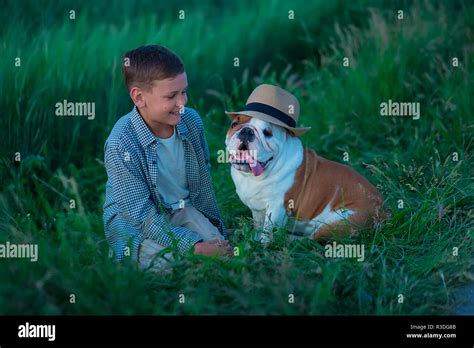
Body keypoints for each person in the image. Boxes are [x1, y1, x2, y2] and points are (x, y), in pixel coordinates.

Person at [103, 45, 232, 272]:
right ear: (139, 97)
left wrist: (205, 236)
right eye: (171, 96)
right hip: (135, 223)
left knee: (221, 249)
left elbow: (202, 175)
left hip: (183, 208)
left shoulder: (191, 122)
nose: (183, 102)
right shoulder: (121, 143)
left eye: (184, 91)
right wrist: (195, 248)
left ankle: (196, 249)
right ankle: (129, 254)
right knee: (168, 265)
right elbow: (141, 216)